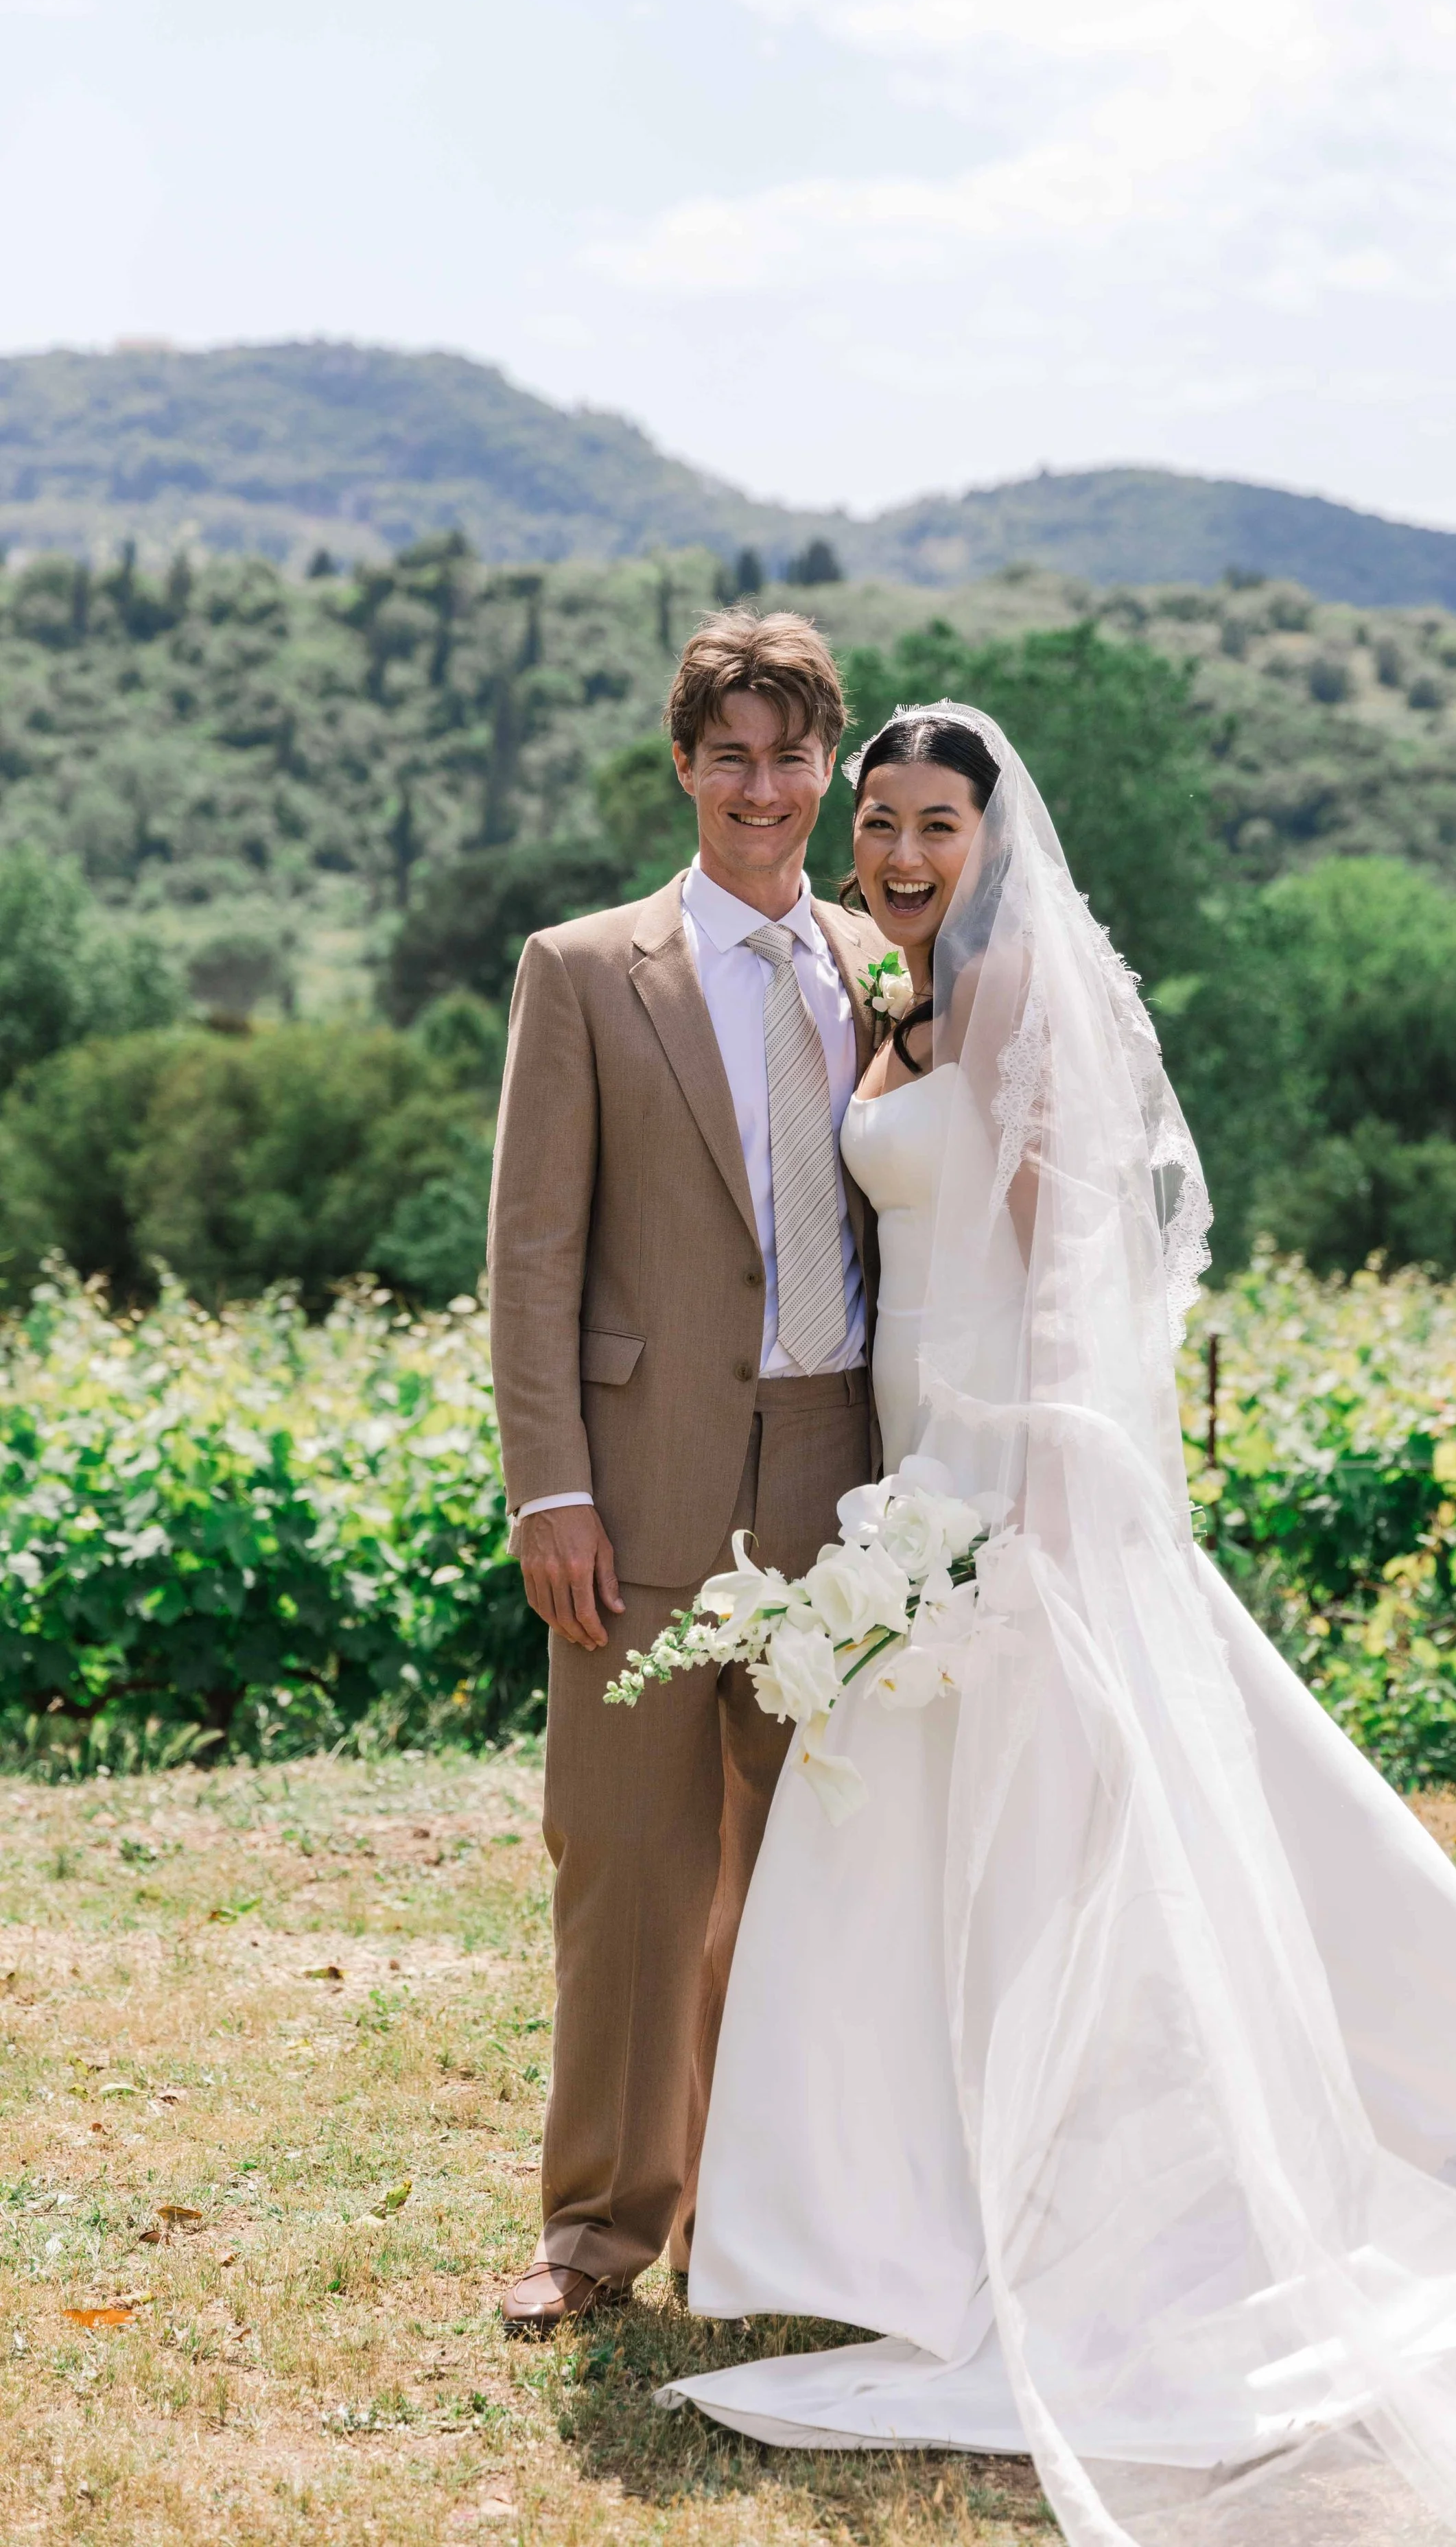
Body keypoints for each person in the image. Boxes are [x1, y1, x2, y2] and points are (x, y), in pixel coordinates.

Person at [660, 703, 1456, 2545]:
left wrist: (1042, 1503)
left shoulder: (1019, 1002)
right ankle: (900, 2219)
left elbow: (1077, 1275)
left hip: (1011, 1490)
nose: (903, 853)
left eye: (936, 825)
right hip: (913, 1481)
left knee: (1061, 1867)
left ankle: (1056, 2222)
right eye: (882, 821)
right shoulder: (902, 1001)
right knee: (924, 1867)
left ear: (994, 840)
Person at [485, 610, 879, 2336]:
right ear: (684, 766)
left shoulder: (880, 965)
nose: (764, 789)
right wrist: (545, 1487)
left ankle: (770, 2223)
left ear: (827, 770)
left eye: (793, 757)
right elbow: (530, 1256)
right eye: (731, 755)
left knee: (811, 1874)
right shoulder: (583, 970)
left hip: (840, 1488)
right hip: (633, 1491)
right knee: (628, 1863)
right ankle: (594, 2233)